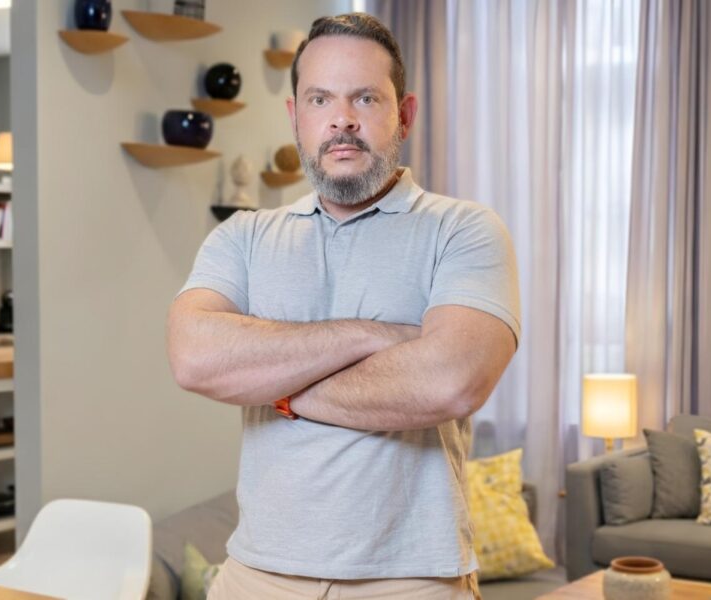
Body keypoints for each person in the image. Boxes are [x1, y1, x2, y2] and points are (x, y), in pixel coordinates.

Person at [167, 12, 520, 600]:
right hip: (256, 576)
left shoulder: (464, 231)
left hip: (411, 582)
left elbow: (451, 381)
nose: (342, 120)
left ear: (404, 114)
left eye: (365, 98)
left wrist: (278, 388)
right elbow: (193, 358)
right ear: (295, 117)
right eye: (320, 99)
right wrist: (378, 336)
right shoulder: (243, 237)